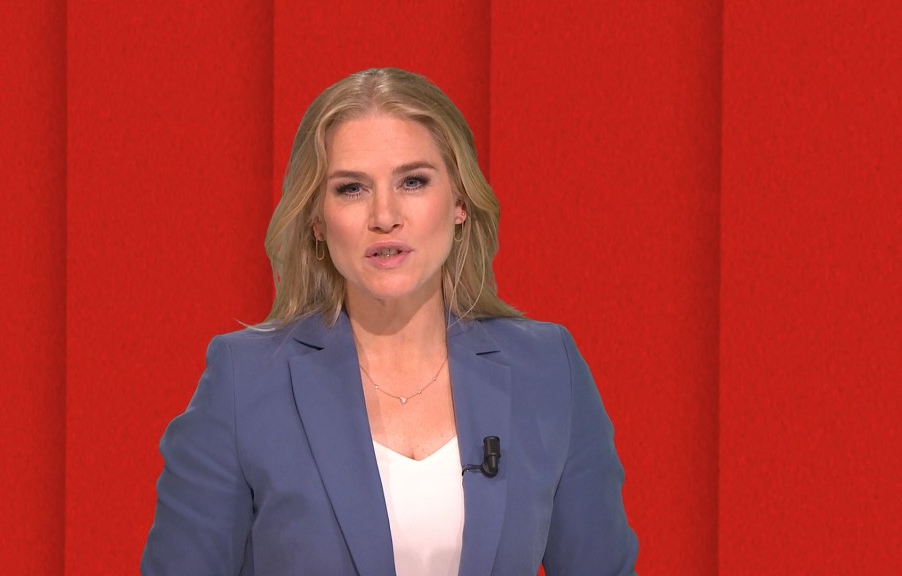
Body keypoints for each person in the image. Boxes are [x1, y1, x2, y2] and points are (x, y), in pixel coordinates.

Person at [141, 67, 638, 575]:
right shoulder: (244, 382)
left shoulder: (548, 369)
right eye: (352, 189)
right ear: (317, 220)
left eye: (413, 181)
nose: (384, 215)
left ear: (460, 203)